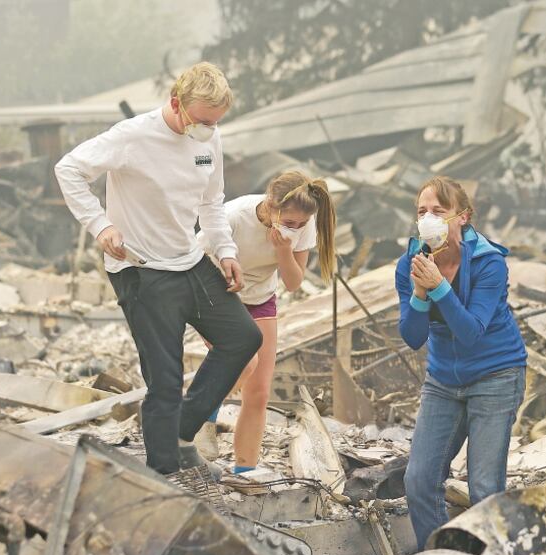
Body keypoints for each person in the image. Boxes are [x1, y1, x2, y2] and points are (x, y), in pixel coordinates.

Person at [55, 62, 262, 476]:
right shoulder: (132, 136)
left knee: (243, 337)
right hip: (141, 268)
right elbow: (69, 169)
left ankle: (181, 430)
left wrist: (225, 251)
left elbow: (212, 201)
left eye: (216, 122)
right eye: (202, 121)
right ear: (176, 103)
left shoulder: (209, 138)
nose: (208, 129)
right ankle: (164, 473)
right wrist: (101, 225)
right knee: (165, 381)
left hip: (188, 259)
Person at [395, 176, 527, 549]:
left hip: (496, 375)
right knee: (418, 481)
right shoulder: (410, 264)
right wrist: (421, 294)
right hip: (442, 381)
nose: (429, 220)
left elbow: (471, 331)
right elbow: (413, 336)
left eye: (439, 211)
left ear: (463, 217)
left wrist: (439, 288)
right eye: (422, 212)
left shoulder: (489, 263)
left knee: (484, 488)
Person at [197, 171, 336, 473]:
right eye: (289, 223)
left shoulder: (303, 225)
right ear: (271, 205)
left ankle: (244, 470)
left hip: (260, 297)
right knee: (241, 362)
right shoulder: (234, 216)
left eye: (300, 224)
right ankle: (199, 418)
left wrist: (284, 249)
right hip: (216, 296)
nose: (295, 228)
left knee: (259, 390)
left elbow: (294, 281)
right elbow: (194, 261)